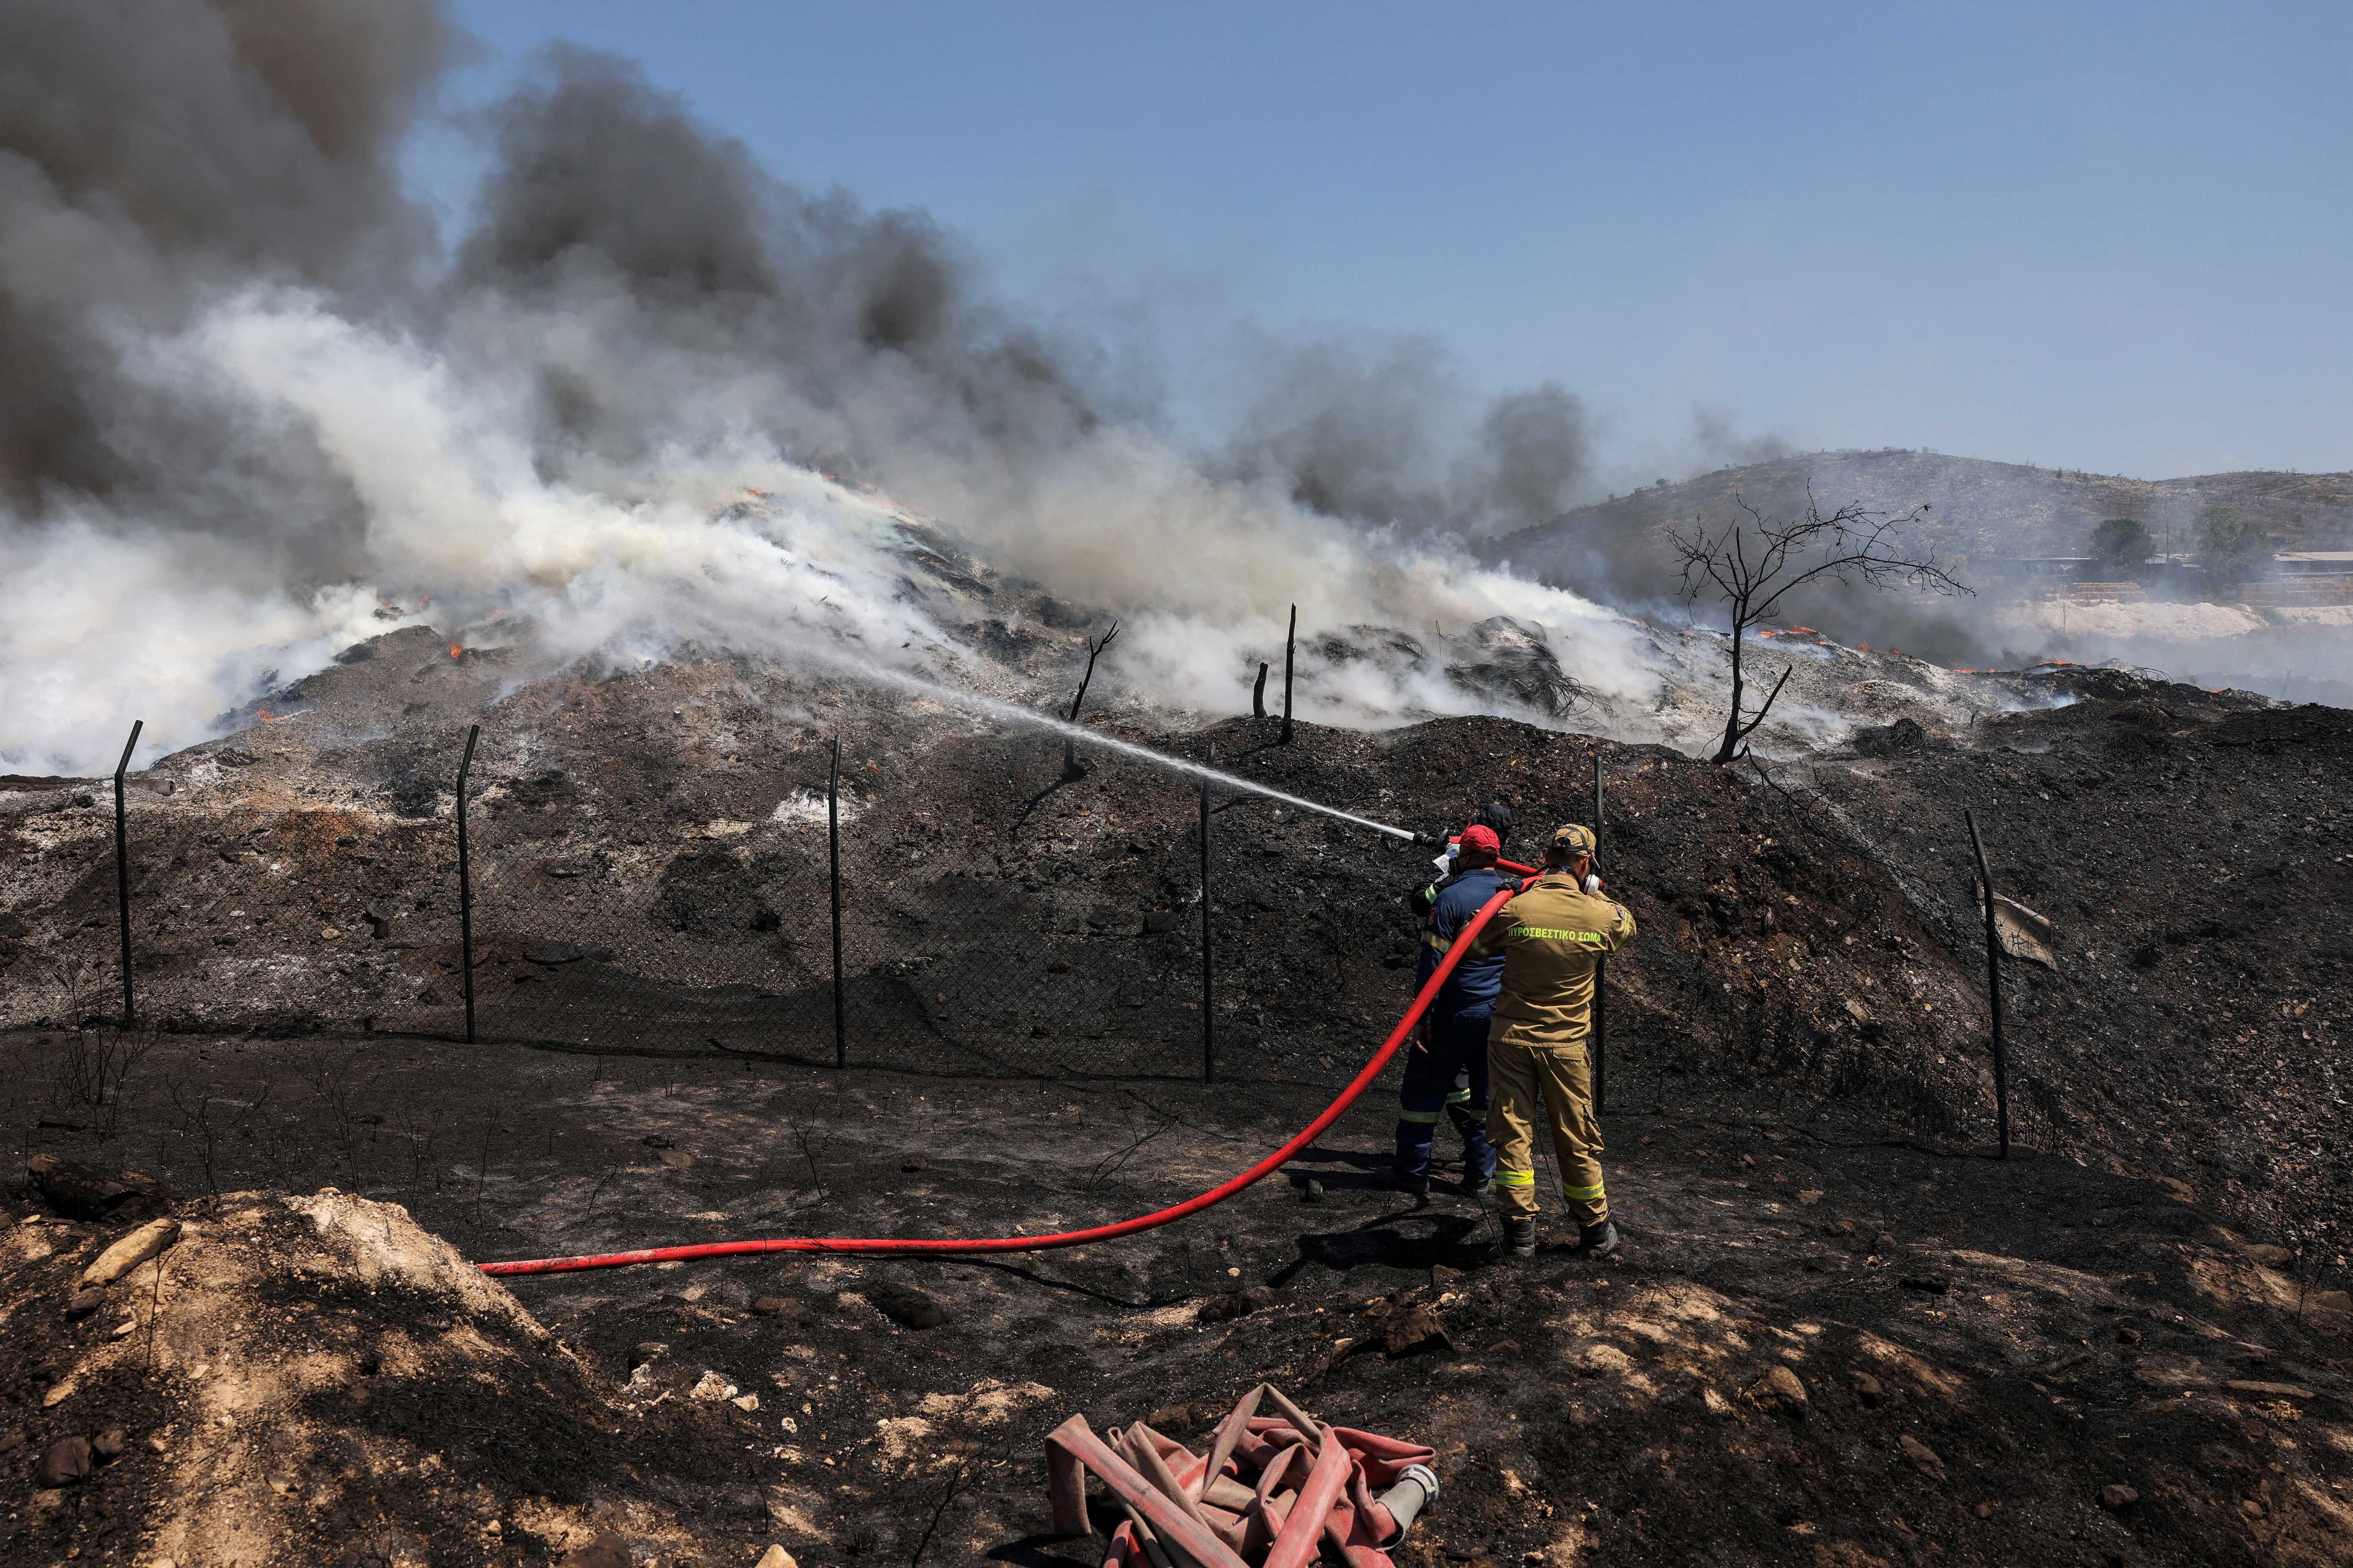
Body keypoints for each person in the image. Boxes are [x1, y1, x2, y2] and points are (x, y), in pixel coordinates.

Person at [1463, 823, 1634, 1260]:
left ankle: (1519, 1237)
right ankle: (1595, 1233)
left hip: (1510, 1041)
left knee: (1512, 1135)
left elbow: (1477, 946)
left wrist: (1511, 896)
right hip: (1564, 1047)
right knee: (1575, 1138)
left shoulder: (1515, 907)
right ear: (1585, 864)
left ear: (1544, 858)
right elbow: (1626, 927)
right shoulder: (1599, 913)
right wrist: (1594, 892)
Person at [1388, 825, 1509, 1199]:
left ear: (1468, 857)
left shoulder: (1452, 898)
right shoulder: (1514, 895)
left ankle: (1411, 1174)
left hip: (1453, 1013)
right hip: (1499, 1015)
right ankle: (1479, 1179)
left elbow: (1433, 964)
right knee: (1484, 1100)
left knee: (1423, 1095)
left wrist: (1422, 1019)